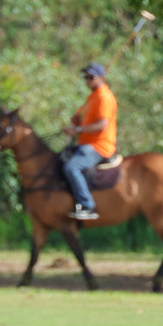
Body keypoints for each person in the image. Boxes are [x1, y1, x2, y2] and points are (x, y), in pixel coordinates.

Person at [61, 63, 118, 220]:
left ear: (101, 78)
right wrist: (78, 122)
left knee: (72, 168)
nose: (87, 81)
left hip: (99, 146)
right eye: (86, 77)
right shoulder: (93, 96)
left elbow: (102, 125)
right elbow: (90, 122)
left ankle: (88, 206)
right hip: (86, 144)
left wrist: (77, 130)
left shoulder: (104, 96)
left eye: (91, 77)